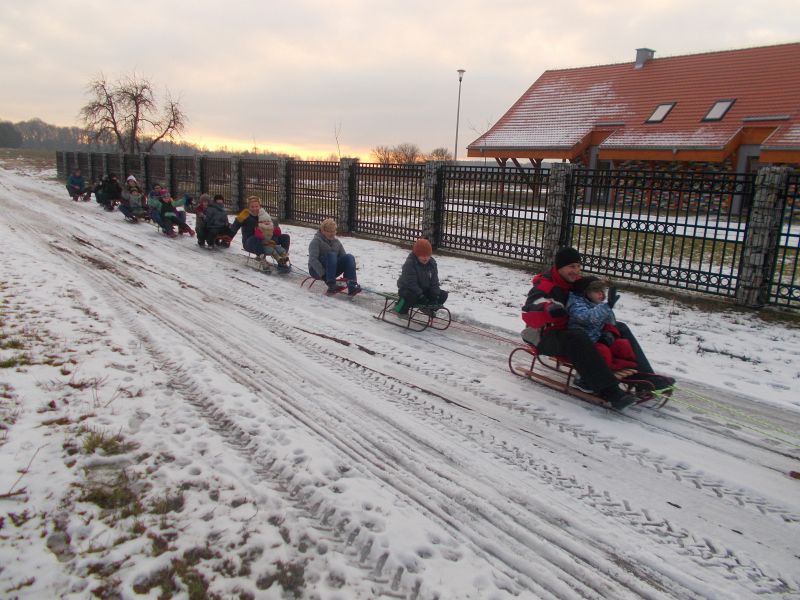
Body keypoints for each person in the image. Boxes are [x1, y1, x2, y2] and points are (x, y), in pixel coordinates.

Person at [521, 247, 673, 410]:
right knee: (576, 337)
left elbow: (595, 308)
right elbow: (528, 310)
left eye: (579, 266)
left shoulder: (578, 284)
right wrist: (548, 309)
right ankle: (609, 390)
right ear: (559, 267)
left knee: (620, 327)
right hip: (545, 336)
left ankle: (645, 378)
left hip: (578, 330)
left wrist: (608, 331)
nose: (576, 270)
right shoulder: (545, 287)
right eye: (572, 266)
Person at [566, 276, 638, 372]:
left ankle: (630, 367)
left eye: (602, 291)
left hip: (598, 338)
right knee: (603, 351)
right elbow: (588, 317)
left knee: (622, 344)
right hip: (584, 343)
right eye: (596, 291)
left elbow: (610, 321)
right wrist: (607, 306)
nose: (601, 294)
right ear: (585, 293)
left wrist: (610, 333)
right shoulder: (576, 305)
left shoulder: (598, 304)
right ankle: (593, 376)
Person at [229, 196, 290, 272]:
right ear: (248, 207)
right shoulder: (245, 215)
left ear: (260, 206)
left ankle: (283, 259)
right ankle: (262, 260)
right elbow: (234, 228)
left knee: (285, 237)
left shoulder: (263, 214)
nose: (255, 209)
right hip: (250, 242)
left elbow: (271, 228)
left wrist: (275, 229)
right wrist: (229, 235)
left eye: (256, 206)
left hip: (266, 240)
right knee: (256, 238)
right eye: (252, 207)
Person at [307, 218, 361, 295]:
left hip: (332, 271)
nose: (332, 234)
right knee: (331, 255)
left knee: (349, 257)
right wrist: (324, 275)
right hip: (316, 270)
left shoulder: (337, 242)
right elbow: (313, 260)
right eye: (329, 232)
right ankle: (332, 285)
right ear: (323, 231)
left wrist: (350, 265)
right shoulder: (316, 241)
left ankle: (352, 285)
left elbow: (344, 257)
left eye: (334, 231)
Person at [395, 238, 448, 314]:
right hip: (408, 289)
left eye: (428, 255)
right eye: (422, 255)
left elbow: (434, 282)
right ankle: (400, 310)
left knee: (443, 295)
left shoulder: (432, 264)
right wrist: (421, 296)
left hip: (423, 290)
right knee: (411, 296)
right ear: (417, 255)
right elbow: (411, 283)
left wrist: (435, 297)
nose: (426, 258)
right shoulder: (410, 264)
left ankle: (427, 309)